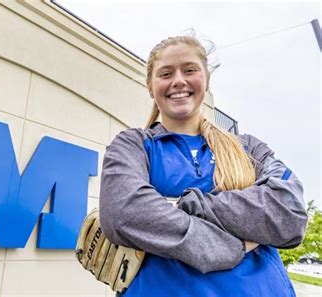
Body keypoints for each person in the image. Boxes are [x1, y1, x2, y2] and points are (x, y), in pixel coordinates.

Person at [99, 35, 308, 296]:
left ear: (206, 80)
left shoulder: (249, 148)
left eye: (189, 70)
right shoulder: (133, 145)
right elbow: (124, 213)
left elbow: (289, 211)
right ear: (150, 87)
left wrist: (190, 205)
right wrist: (238, 245)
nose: (178, 80)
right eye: (165, 73)